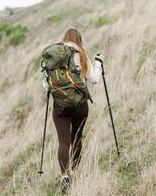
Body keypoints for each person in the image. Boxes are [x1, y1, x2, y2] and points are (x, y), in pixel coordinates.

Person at [42, 28, 105, 192]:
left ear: (64, 39)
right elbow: (94, 80)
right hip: (80, 105)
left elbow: (45, 84)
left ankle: (65, 176)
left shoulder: (55, 55)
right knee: (76, 139)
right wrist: (99, 63)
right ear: (79, 39)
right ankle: (75, 172)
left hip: (60, 107)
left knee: (63, 142)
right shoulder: (81, 53)